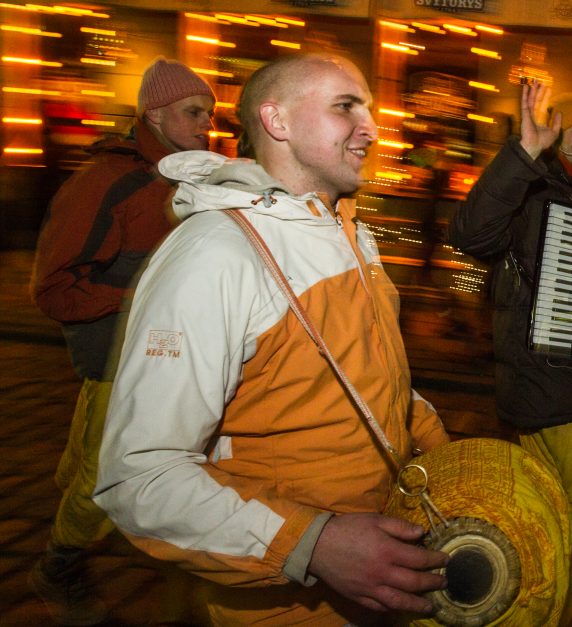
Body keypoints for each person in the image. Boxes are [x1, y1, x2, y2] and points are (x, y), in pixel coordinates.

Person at [93, 53, 451, 626]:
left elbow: (366, 379)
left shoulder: (349, 235)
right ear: (277, 122)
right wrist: (316, 543)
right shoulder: (215, 254)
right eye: (345, 107)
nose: (373, 127)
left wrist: (446, 448)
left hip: (377, 577)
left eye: (369, 109)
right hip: (283, 602)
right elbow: (140, 478)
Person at [29, 57, 216, 625]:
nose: (206, 123)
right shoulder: (109, 182)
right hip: (119, 354)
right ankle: (61, 565)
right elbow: (55, 287)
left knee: (100, 461)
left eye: (209, 112)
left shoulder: (191, 176)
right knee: (109, 474)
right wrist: (137, 297)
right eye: (193, 112)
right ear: (154, 114)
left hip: (165, 353)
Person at [449, 83, 572, 626]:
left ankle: (562, 607)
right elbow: (470, 234)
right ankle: (533, 606)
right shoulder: (535, 188)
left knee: (559, 507)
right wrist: (523, 153)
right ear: (555, 131)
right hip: (545, 373)